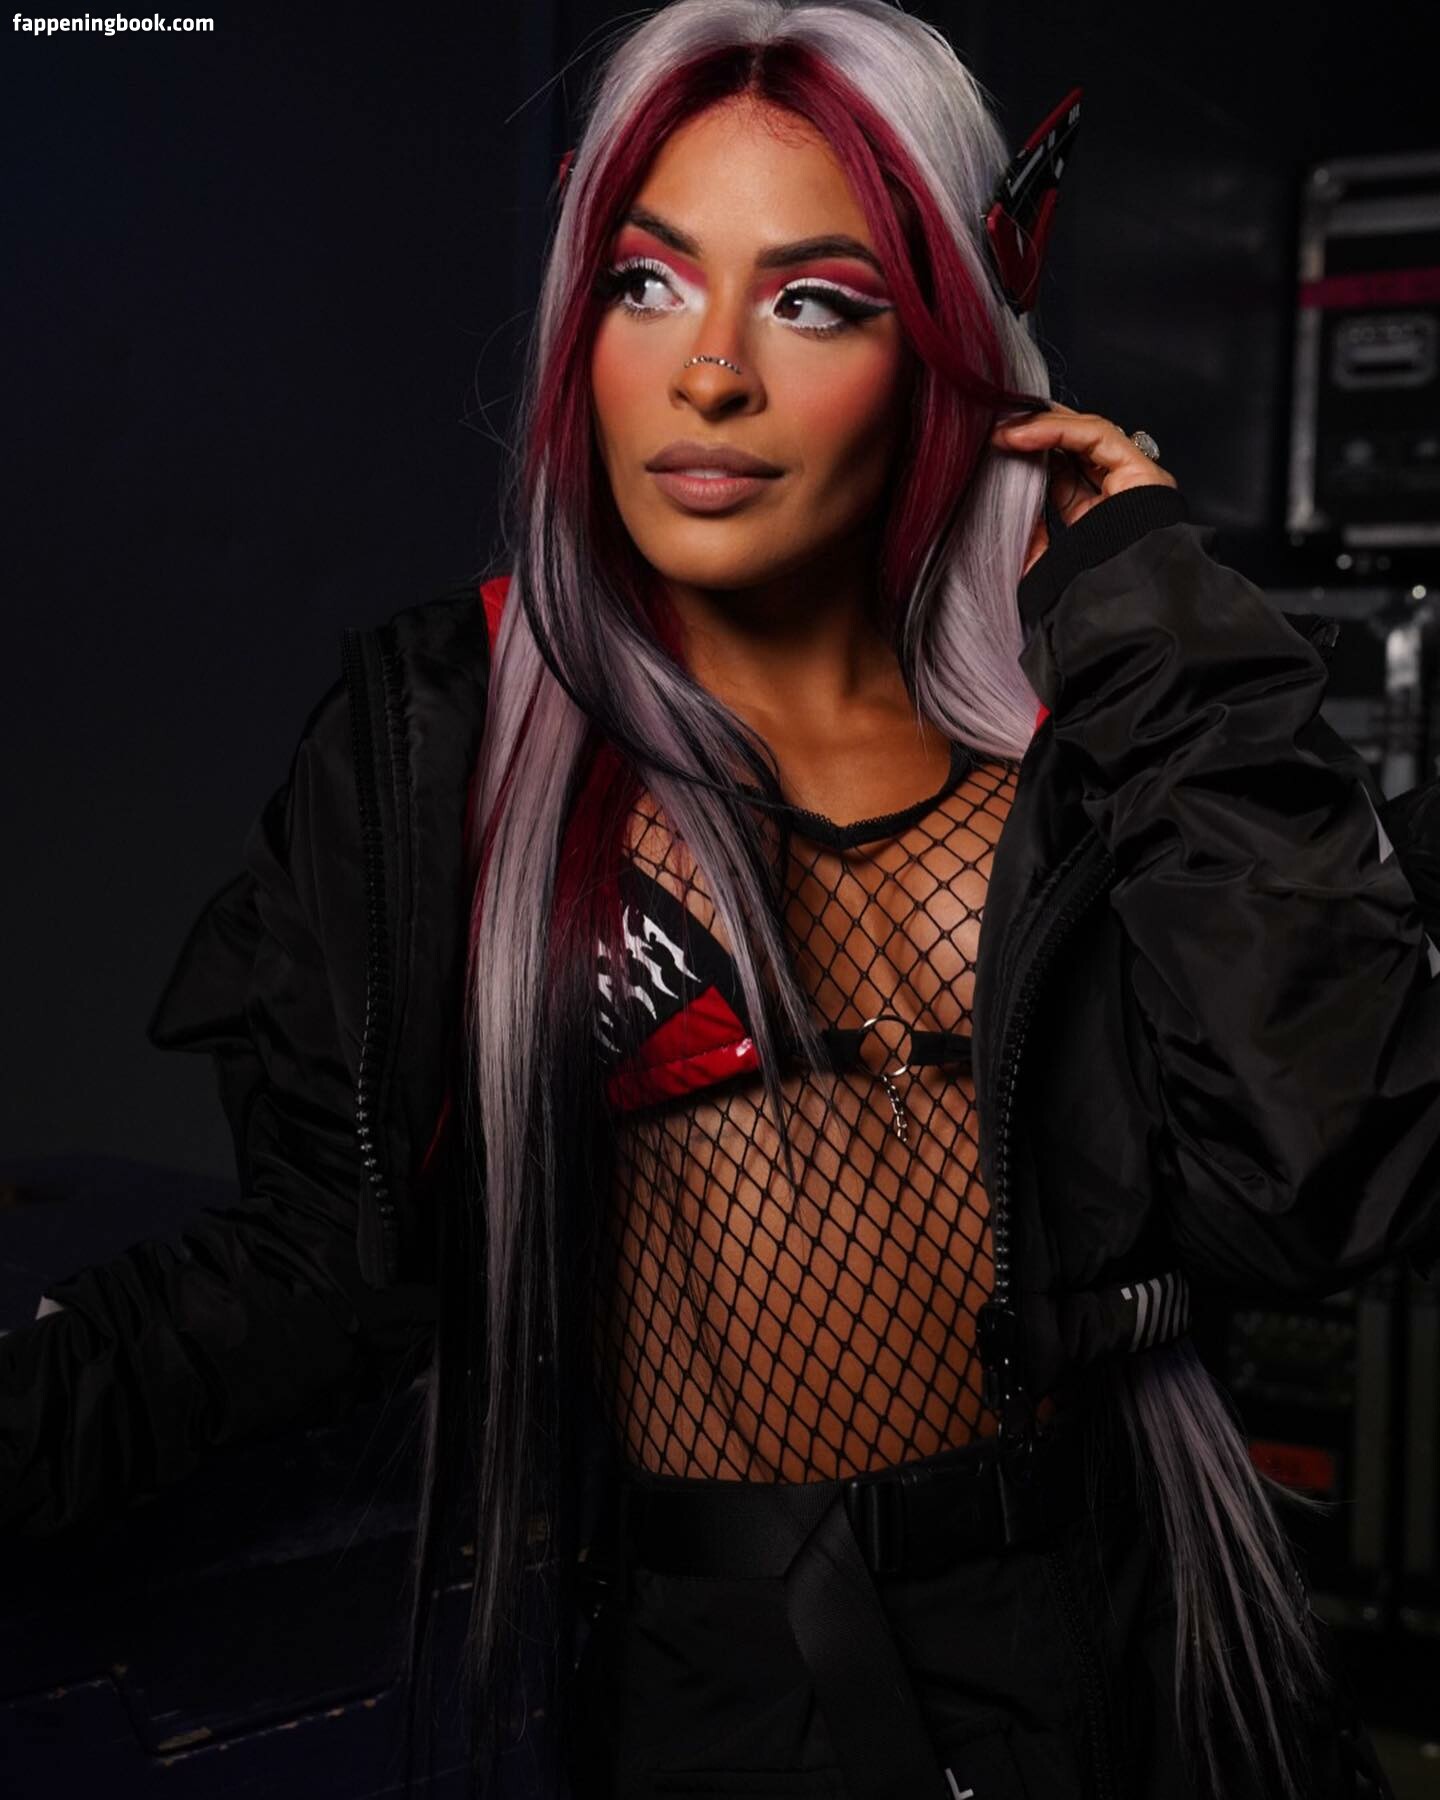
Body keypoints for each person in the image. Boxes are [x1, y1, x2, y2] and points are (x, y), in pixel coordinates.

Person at [3, 2, 1437, 1796]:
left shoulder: (1091, 740)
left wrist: (1155, 610)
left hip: (1140, 1650)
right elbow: (311, 1269)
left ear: (948, 350)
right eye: (646, 283)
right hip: (712, 1688)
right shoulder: (457, 744)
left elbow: (1328, 1179)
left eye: (815, 301)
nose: (709, 374)